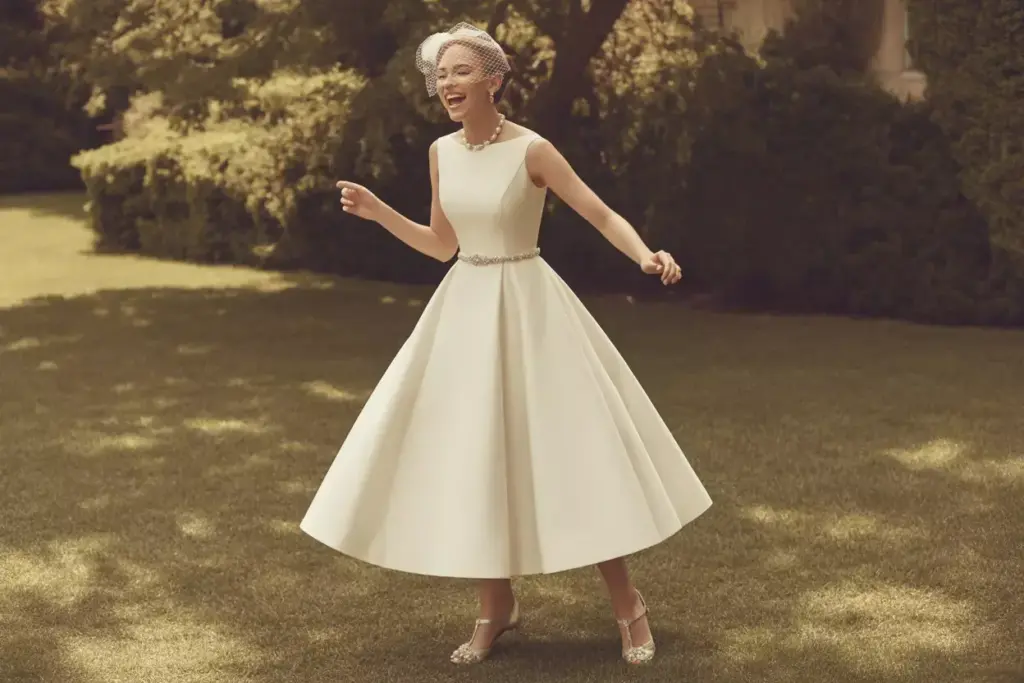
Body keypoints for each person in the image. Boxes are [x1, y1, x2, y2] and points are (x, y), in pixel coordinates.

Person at [300, 22, 712, 666]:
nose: (446, 84)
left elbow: (599, 212)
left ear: (494, 79)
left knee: (573, 452)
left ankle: (629, 606)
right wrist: (381, 212)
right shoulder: (441, 152)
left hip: (530, 309)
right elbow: (443, 246)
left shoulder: (533, 151)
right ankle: (496, 606)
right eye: (440, 76)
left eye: (460, 72)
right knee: (472, 456)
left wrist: (643, 254)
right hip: (464, 313)